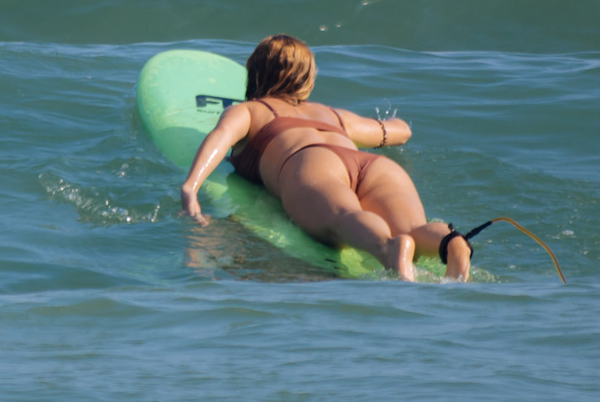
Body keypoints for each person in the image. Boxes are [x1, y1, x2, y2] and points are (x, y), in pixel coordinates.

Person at [178, 34, 471, 282]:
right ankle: (451, 243)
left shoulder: (251, 110)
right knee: (413, 231)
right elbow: (401, 132)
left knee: (346, 218)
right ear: (307, 79)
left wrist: (191, 188)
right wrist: (392, 126)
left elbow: (220, 137)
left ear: (254, 72)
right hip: (373, 165)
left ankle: (388, 249)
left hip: (310, 164)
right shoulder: (333, 114)